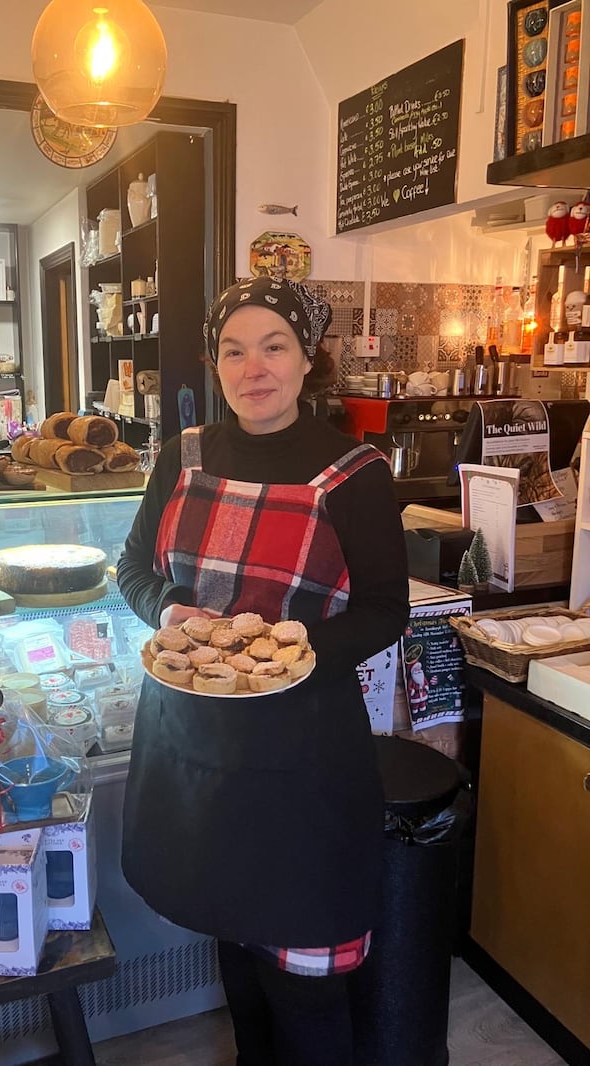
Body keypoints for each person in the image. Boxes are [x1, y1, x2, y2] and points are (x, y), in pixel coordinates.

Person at [116, 276, 409, 1065]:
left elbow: (387, 609)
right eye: (234, 351)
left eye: (274, 347)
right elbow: (132, 569)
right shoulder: (184, 455)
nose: (255, 369)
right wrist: (169, 611)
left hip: (302, 751)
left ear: (308, 358)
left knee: (306, 974)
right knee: (238, 941)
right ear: (215, 365)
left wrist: (295, 657)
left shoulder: (354, 471)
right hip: (195, 747)